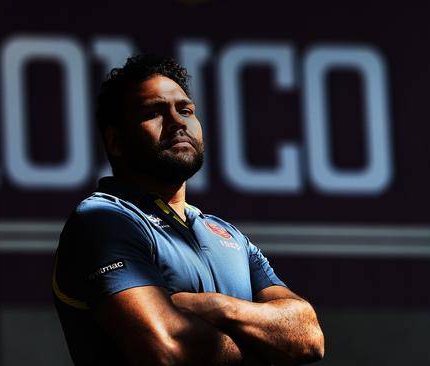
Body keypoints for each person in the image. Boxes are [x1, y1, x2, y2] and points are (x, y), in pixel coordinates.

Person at [52, 54, 324, 366]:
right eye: (153, 112)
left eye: (185, 110)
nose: (177, 122)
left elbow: (309, 336)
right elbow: (167, 349)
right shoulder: (104, 220)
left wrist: (214, 306)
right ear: (116, 141)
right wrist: (266, 346)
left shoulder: (228, 235)